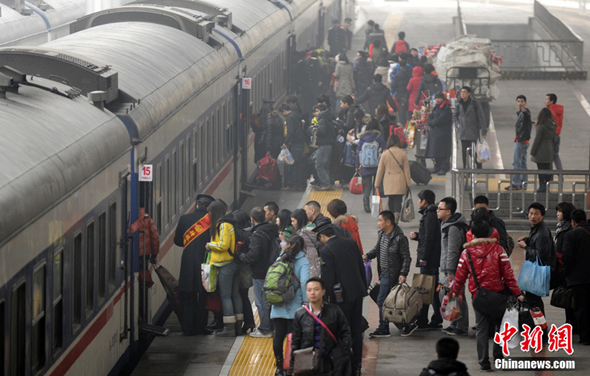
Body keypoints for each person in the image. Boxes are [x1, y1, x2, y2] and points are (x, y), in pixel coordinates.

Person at [452, 220, 524, 372]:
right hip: (497, 296)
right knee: (499, 327)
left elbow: (459, 277)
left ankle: (484, 362)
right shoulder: (499, 251)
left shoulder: (466, 253)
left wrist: (455, 292)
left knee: (481, 329)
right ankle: (498, 358)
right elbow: (509, 276)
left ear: (474, 234)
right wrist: (518, 293)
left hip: (478, 296)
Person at [317, 224, 367, 374]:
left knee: (343, 332)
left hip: (340, 298)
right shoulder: (351, 243)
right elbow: (360, 267)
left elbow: (328, 278)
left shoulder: (326, 251)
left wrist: (326, 300)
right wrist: (362, 287)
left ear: (323, 237)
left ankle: (346, 365)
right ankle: (357, 364)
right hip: (357, 293)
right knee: (356, 329)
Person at [291, 277, 353, 374]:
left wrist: (338, 353)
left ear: (323, 292)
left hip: (331, 362)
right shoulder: (300, 314)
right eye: (309, 290)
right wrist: (293, 367)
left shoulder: (335, 310)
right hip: (309, 363)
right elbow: (296, 341)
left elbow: (345, 333)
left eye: (316, 289)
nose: (312, 293)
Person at [364, 210, 411, 337]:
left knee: (382, 300)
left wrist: (403, 273)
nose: (378, 223)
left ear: (388, 222)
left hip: (392, 274)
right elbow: (377, 249)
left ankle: (384, 328)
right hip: (383, 273)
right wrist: (368, 255)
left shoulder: (400, 238)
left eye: (380, 221)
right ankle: (404, 324)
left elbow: (406, 257)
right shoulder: (382, 234)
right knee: (392, 302)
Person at [173, 194, 214, 336]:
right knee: (203, 296)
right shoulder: (212, 221)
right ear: (209, 207)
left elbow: (178, 241)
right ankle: (200, 328)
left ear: (197, 205)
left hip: (187, 264)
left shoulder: (184, 219)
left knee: (187, 296)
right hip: (206, 263)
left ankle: (187, 328)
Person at [271, 235, 310, 376]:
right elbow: (305, 282)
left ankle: (279, 367)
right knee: (293, 337)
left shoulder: (280, 257)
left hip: (278, 303)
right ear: (302, 247)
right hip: (295, 305)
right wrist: (306, 301)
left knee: (278, 336)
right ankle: (290, 367)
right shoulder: (303, 261)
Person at [239, 207, 278, 338]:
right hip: (274, 270)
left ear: (252, 219)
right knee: (272, 300)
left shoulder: (257, 234)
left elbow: (253, 255)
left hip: (260, 272)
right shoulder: (273, 229)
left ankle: (265, 329)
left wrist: (241, 255)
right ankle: (272, 326)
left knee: (261, 301)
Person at [206, 200, 243, 337]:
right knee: (235, 294)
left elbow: (223, 245)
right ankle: (238, 324)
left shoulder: (224, 225)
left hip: (225, 264)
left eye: (210, 212)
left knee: (225, 296)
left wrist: (210, 245)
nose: (209, 215)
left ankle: (229, 327)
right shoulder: (228, 222)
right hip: (231, 263)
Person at [410, 189, 443, 331]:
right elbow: (428, 236)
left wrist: (424, 257)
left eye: (419, 200)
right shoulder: (431, 213)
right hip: (431, 258)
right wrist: (417, 236)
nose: (418, 202)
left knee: (425, 289)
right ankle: (436, 318)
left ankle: (423, 320)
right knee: (432, 289)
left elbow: (430, 238)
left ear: (424, 201)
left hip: (429, 259)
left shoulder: (429, 214)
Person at [437, 197, 469, 336]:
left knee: (458, 296)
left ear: (448, 211)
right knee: (451, 295)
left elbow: (453, 250)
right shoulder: (447, 225)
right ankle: (453, 323)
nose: (437, 211)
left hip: (455, 269)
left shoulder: (453, 228)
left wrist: (451, 270)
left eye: (440, 209)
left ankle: (462, 327)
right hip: (448, 268)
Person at [517, 202, 555, 316]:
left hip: (538, 271)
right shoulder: (537, 228)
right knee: (533, 299)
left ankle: (540, 327)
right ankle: (538, 325)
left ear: (542, 216)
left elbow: (540, 254)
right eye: (531, 213)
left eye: (536, 214)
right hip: (535, 269)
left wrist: (525, 246)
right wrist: (528, 239)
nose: (533, 216)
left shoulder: (541, 232)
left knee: (533, 300)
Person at [562, 209, 590, 345]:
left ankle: (585, 337)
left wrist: (566, 274)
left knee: (581, 308)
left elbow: (567, 257)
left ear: (573, 222)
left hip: (578, 279)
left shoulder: (571, 235)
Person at [375, 134, 411, 224]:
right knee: (398, 200)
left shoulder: (385, 154)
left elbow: (380, 170)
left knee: (390, 199)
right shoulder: (403, 153)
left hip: (388, 180)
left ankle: (391, 217)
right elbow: (407, 170)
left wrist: (377, 184)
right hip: (400, 180)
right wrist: (408, 183)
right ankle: (396, 216)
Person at [232, 210, 256, 334]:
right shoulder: (251, 232)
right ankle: (249, 321)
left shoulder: (241, 234)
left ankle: (248, 322)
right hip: (248, 270)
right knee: (243, 296)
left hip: (242, 270)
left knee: (241, 296)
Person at [355, 119, 387, 213]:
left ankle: (365, 199)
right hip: (377, 165)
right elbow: (384, 151)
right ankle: (375, 205)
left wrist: (357, 166)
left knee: (367, 185)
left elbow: (358, 153)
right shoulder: (379, 137)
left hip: (365, 165)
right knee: (376, 186)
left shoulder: (362, 138)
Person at [454, 86, 487, 169]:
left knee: (471, 151)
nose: (462, 94)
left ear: (469, 93)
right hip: (463, 131)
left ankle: (477, 162)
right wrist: (457, 124)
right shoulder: (459, 104)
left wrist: (483, 131)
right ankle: (465, 167)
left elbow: (481, 118)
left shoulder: (475, 104)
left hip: (472, 131)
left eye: (464, 92)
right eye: (461, 92)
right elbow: (454, 116)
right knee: (464, 151)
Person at [554, 202, 576, 327]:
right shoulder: (562, 227)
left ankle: (571, 323)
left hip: (565, 267)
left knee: (568, 296)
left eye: (560, 211)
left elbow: (562, 251)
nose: (557, 214)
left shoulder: (565, 229)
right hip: (565, 267)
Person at [505, 94, 532, 190]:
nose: (520, 103)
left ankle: (516, 183)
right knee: (523, 164)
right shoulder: (521, 113)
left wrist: (523, 111)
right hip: (523, 141)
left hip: (521, 141)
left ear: (525, 103)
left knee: (516, 163)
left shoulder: (525, 112)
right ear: (516, 103)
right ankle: (523, 183)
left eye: (522, 101)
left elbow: (527, 116)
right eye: (518, 101)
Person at [280, 104, 306, 191]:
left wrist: (285, 143)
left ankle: (292, 185)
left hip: (295, 143)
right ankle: (298, 184)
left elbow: (290, 133)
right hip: (300, 143)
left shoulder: (290, 118)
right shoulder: (296, 115)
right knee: (297, 164)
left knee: (292, 164)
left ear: (284, 110)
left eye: (282, 113)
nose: (282, 115)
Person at [426, 93, 453, 175]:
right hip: (436, 133)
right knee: (436, 151)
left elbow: (440, 120)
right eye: (436, 98)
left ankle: (444, 167)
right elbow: (430, 118)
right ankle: (437, 167)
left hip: (443, 133)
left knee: (443, 152)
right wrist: (431, 122)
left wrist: (432, 123)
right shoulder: (436, 107)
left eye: (439, 98)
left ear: (443, 99)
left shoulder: (446, 108)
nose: (437, 100)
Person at [531, 107, 556, 193]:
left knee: (541, 169)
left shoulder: (541, 126)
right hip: (549, 148)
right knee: (547, 169)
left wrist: (533, 151)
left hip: (541, 150)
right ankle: (547, 186)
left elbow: (537, 139)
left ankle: (542, 186)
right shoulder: (553, 125)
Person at [291, 208, 321, 278]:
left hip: (305, 266)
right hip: (315, 264)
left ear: (299, 221)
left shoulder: (300, 236)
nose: (292, 223)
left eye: (293, 221)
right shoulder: (313, 231)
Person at [313, 105, 336, 190]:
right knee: (325, 165)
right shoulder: (329, 118)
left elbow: (322, 131)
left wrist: (315, 130)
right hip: (329, 144)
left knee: (319, 165)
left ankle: (325, 184)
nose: (315, 113)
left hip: (324, 144)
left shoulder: (322, 120)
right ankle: (327, 182)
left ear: (322, 111)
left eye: (317, 111)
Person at [391, 53, 412, 126]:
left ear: (400, 66)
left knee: (401, 110)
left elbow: (393, 85)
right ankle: (409, 123)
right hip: (408, 94)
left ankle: (403, 124)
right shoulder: (410, 73)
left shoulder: (398, 74)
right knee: (408, 110)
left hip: (400, 94)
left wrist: (392, 92)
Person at [545, 93, 564, 170]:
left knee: (549, 156)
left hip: (550, 135)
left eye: (547, 99)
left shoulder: (550, 111)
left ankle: (550, 176)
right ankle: (560, 174)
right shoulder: (559, 109)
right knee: (555, 155)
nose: (545, 101)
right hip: (557, 135)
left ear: (551, 101)